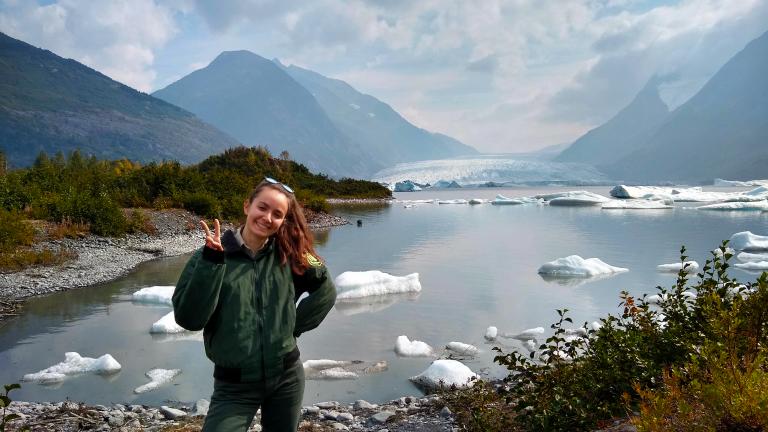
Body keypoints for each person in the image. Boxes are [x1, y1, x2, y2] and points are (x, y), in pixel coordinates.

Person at [173, 177, 337, 432]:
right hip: (234, 386)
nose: (268, 217)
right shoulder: (209, 255)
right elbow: (189, 319)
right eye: (262, 207)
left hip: (287, 378)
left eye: (277, 213)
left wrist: (292, 327)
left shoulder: (291, 252)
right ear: (247, 206)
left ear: (283, 220)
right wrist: (212, 263)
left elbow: (326, 288)